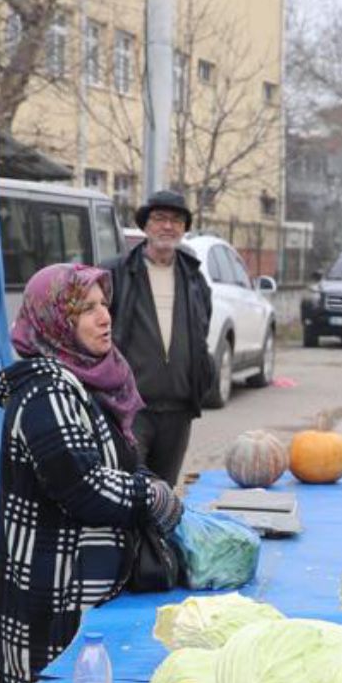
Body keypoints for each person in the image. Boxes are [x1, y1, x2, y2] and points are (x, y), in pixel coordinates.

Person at [0, 263, 183, 683]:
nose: (104, 317)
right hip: (55, 602)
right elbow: (85, 488)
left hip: (84, 598)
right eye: (86, 309)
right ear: (56, 321)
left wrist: (145, 482)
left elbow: (116, 460)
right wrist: (154, 496)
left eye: (104, 304)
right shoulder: (48, 391)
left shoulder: (85, 380)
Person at [103, 189, 215, 485]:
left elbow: (201, 336)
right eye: (160, 218)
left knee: (164, 493)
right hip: (130, 409)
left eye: (176, 220)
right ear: (145, 225)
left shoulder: (194, 279)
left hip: (179, 410)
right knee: (131, 488)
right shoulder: (117, 273)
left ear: (184, 228)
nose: (168, 226)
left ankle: (159, 535)